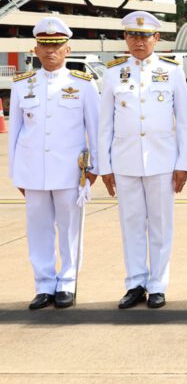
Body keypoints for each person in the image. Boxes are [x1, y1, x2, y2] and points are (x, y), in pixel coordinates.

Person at [97, 12, 187, 309]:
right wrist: (105, 166)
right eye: (133, 35)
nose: (139, 41)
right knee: (132, 225)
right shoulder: (113, 72)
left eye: (145, 36)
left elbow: (183, 121)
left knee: (161, 226)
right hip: (125, 161)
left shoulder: (172, 71)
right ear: (126, 38)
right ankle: (135, 283)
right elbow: (104, 124)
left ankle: (158, 285)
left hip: (162, 161)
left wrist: (183, 163)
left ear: (156, 38)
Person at [8, 17, 99, 310]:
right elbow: (15, 132)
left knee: (70, 229)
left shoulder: (83, 84)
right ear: (35, 49)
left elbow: (95, 128)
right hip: (33, 170)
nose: (51, 51)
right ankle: (44, 285)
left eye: (57, 45)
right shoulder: (22, 85)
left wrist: (94, 167)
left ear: (67, 49)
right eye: (45, 45)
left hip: (70, 170)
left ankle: (67, 283)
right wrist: (16, 173)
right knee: (38, 230)